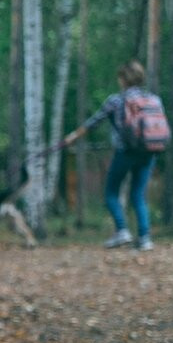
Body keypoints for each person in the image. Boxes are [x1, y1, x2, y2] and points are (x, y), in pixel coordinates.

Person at [63, 59, 157, 252]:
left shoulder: (116, 100)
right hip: (149, 151)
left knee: (111, 192)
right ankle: (145, 238)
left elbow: (93, 122)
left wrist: (73, 137)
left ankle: (122, 230)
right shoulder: (154, 99)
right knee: (138, 195)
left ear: (123, 79)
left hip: (126, 152)